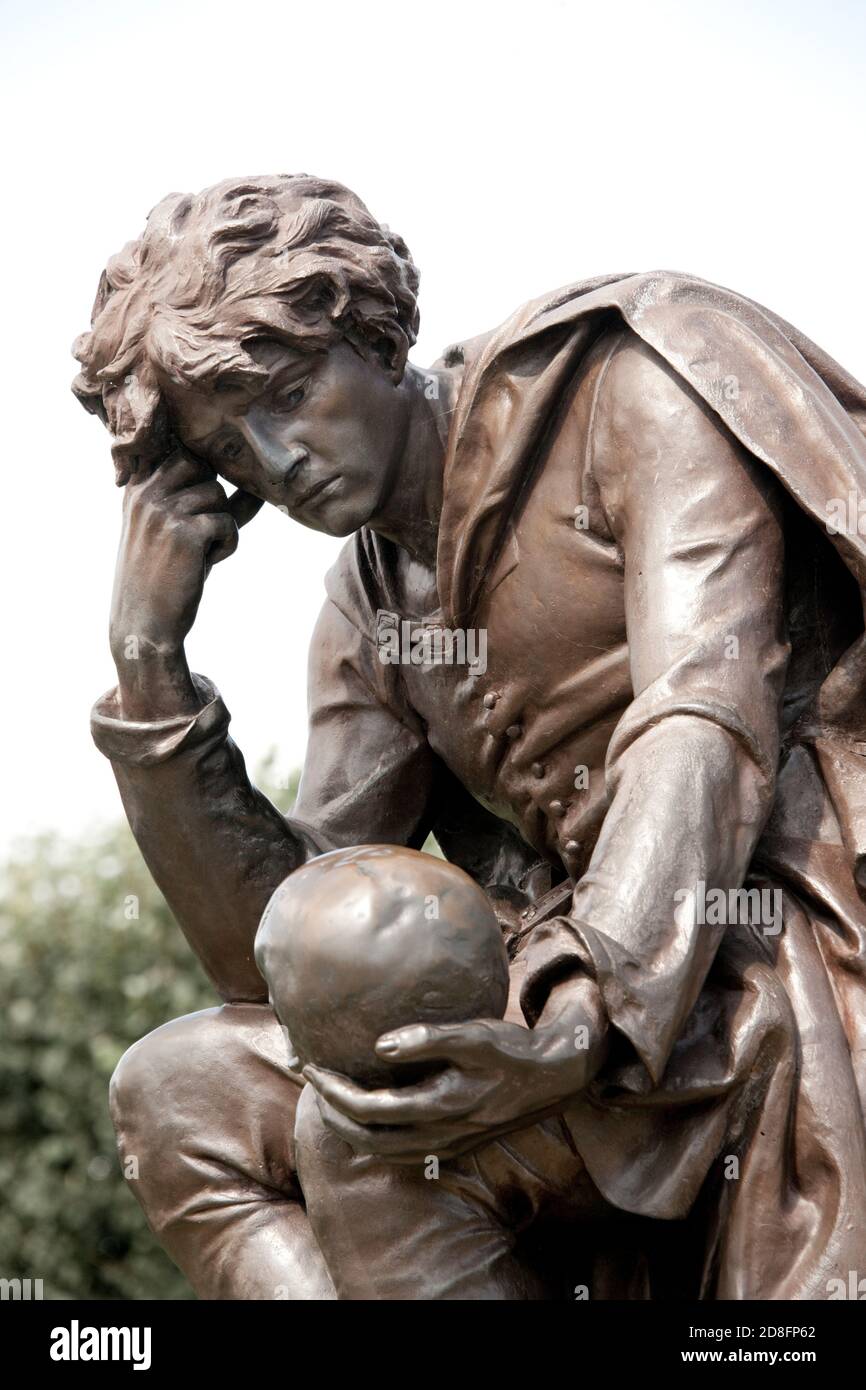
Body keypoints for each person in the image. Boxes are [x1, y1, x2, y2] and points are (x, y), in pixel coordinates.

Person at [73, 174, 866, 1299]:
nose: (276, 458)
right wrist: (148, 672)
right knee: (180, 1089)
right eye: (230, 450)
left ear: (372, 333)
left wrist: (583, 1010)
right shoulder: (371, 604)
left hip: (750, 942)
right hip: (588, 972)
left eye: (290, 391)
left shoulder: (618, 383)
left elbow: (703, 712)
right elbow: (283, 954)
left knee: (372, 1141)